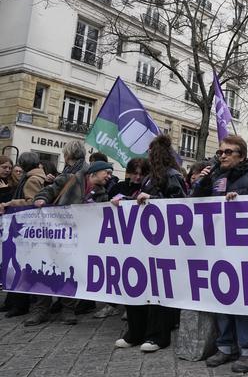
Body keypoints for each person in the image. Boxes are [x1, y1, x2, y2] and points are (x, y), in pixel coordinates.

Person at [194, 135, 248, 373]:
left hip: (246, 251)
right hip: (219, 249)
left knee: (244, 301)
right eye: (220, 152)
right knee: (222, 297)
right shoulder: (216, 176)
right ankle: (226, 347)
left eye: (228, 152)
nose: (223, 156)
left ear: (242, 155)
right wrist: (202, 184)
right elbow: (196, 205)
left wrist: (243, 202)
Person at [114, 135, 186, 353]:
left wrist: (152, 200)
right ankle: (136, 332)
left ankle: (157, 336)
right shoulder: (149, 178)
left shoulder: (172, 175)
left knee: (158, 291)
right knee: (136, 285)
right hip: (144, 242)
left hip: (162, 243)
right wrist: (123, 202)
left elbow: (180, 204)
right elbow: (141, 202)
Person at [28, 159, 113, 326]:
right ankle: (41, 310)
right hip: (54, 234)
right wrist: (40, 199)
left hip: (77, 239)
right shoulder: (70, 179)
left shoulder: (102, 193)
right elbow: (49, 191)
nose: (109, 176)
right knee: (45, 270)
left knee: (70, 273)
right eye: (107, 173)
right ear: (94, 172)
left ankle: (68, 310)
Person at [95, 158, 150, 320]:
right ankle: (112, 304)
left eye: (141, 174)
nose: (138, 177)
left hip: (138, 237)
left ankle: (131, 305)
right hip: (117, 236)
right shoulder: (119, 187)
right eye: (135, 173)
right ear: (129, 173)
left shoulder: (145, 189)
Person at [0, 152, 47, 317]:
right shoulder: (36, 177)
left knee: (19, 264)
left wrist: (11, 203)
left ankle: (19, 305)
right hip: (24, 229)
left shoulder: (32, 179)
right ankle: (13, 302)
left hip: (26, 229)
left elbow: (32, 201)